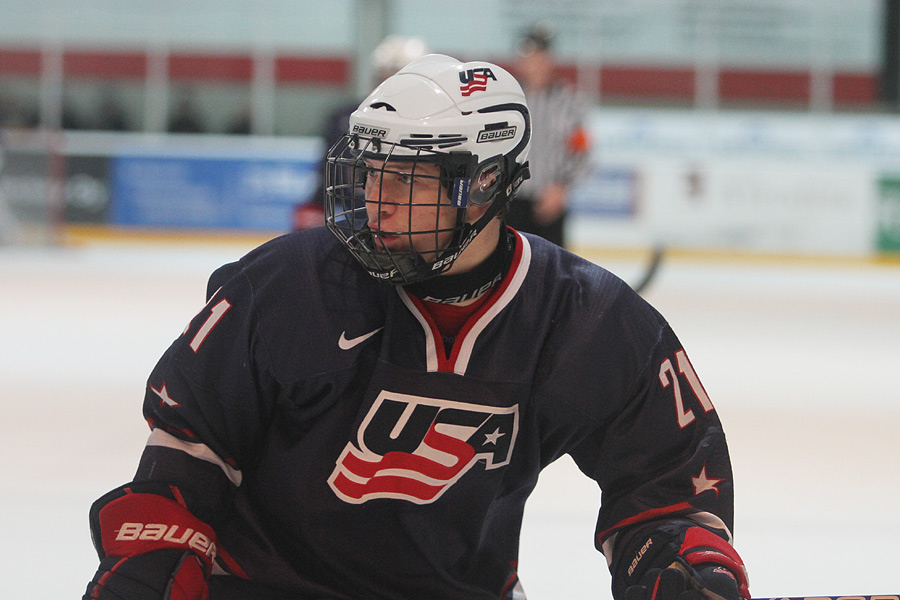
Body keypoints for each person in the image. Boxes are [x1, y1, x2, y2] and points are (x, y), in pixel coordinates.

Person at [83, 54, 750, 600]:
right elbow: (187, 456)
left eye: (407, 178)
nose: (378, 200)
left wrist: (680, 567)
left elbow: (667, 487)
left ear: (485, 182)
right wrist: (154, 565)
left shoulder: (586, 321)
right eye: (372, 171)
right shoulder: (287, 287)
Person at [292, 35, 430, 231]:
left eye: (400, 77)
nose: (391, 85)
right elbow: (326, 180)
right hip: (354, 226)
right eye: (385, 75)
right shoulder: (347, 119)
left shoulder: (437, 128)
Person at [505, 24, 590, 248]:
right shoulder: (506, 100)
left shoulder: (568, 101)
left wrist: (561, 187)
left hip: (549, 201)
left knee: (551, 273)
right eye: (528, 56)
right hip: (507, 201)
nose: (533, 62)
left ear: (549, 59)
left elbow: (580, 149)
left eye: (538, 56)